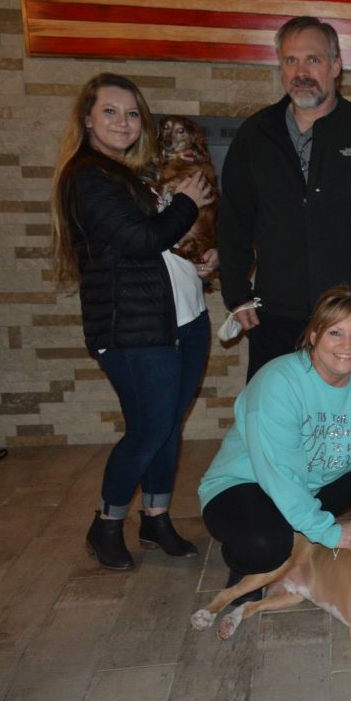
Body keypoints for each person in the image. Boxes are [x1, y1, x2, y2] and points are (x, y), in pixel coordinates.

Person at [50, 73, 217, 570]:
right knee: (149, 429)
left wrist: (203, 261)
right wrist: (188, 201)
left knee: (168, 427)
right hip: (134, 330)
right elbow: (142, 239)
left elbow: (163, 245)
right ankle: (106, 523)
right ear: (87, 119)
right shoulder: (87, 177)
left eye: (131, 114)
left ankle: (155, 518)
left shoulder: (135, 172)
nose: (123, 122)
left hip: (185, 318)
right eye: (110, 111)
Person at [199, 285, 351, 590]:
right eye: (335, 333)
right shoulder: (278, 383)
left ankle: (303, 532)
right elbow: (279, 473)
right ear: (314, 335)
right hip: (244, 484)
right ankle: (247, 561)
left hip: (312, 484)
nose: (347, 344)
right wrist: (327, 531)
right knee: (266, 546)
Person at [218, 16, 351, 381]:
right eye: (291, 60)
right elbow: (234, 220)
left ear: (335, 66)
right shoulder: (255, 135)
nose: (301, 72)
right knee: (274, 410)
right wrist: (236, 293)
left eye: (313, 60)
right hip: (276, 316)